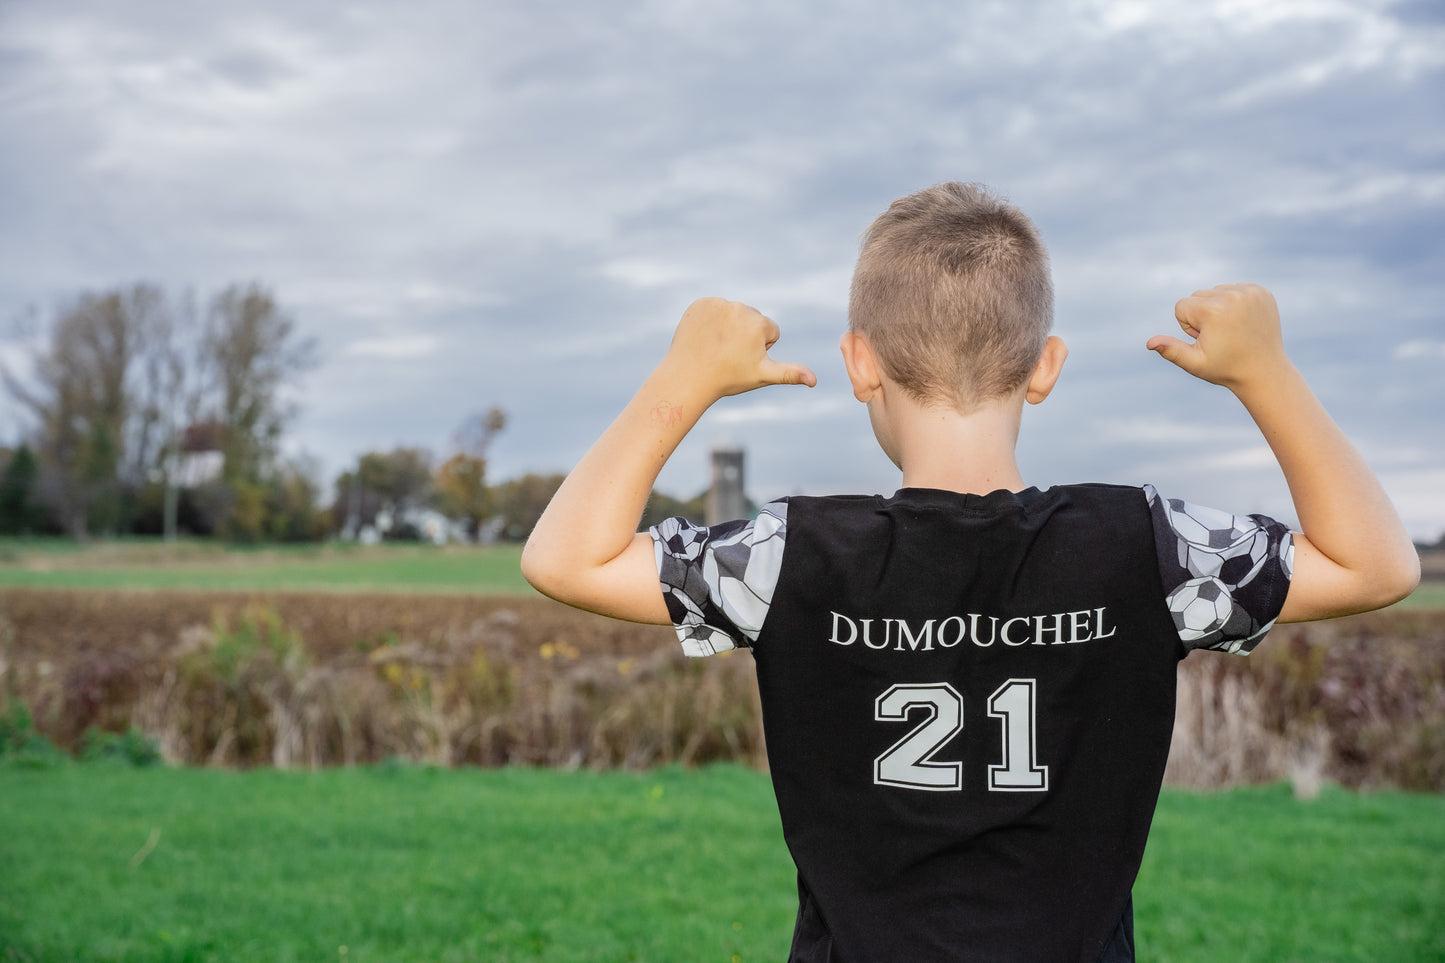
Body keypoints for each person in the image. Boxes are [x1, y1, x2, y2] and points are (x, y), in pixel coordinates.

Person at [520, 182, 1419, 962]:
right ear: (1044, 367)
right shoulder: (1146, 545)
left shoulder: (790, 556)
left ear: (858, 363)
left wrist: (684, 376)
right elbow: (1374, 564)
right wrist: (1265, 372)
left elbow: (565, 558)